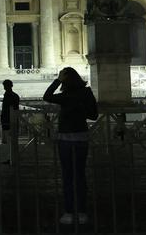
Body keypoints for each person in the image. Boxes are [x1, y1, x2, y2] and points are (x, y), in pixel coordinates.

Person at [44, 67, 98, 226]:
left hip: (66, 138)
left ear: (65, 80)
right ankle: (81, 212)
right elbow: (94, 115)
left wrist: (57, 80)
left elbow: (46, 96)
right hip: (81, 137)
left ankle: (69, 211)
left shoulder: (65, 96)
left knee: (68, 176)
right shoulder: (86, 93)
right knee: (80, 175)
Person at [1, 79, 20, 165]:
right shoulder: (15, 95)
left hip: (8, 121)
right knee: (13, 141)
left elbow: (6, 109)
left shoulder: (8, 96)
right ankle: (13, 158)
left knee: (10, 141)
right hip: (13, 120)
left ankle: (11, 158)